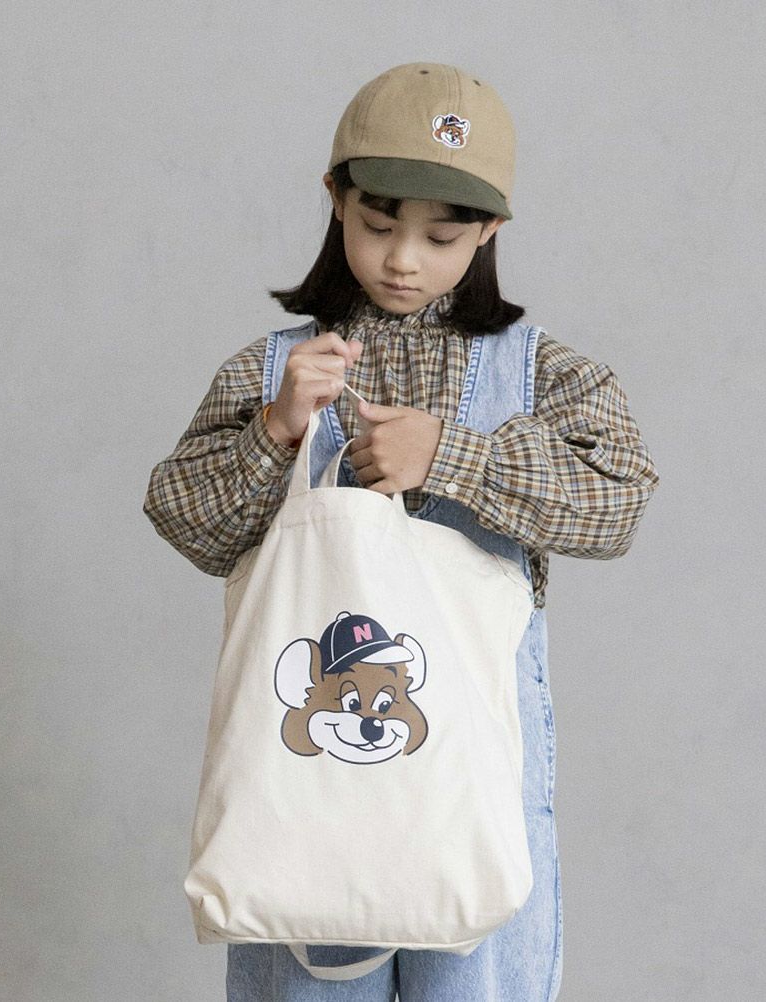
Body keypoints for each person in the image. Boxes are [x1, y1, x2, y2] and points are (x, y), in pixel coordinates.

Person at [143, 62, 659, 1002]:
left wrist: (452, 457)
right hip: (309, 783)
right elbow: (187, 521)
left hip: (470, 779)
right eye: (379, 225)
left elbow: (618, 503)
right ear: (336, 200)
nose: (403, 260)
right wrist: (277, 431)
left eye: (441, 236)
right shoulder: (273, 370)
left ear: (490, 230)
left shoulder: (544, 375)